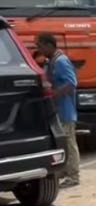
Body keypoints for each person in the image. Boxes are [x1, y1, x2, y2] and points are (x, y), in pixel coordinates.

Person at [35, 33, 79, 187]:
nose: (39, 49)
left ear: (49, 45)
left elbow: (71, 83)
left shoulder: (60, 61)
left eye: (40, 46)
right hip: (57, 110)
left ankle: (73, 176)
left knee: (69, 142)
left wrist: (54, 95)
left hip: (65, 110)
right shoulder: (50, 62)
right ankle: (65, 172)